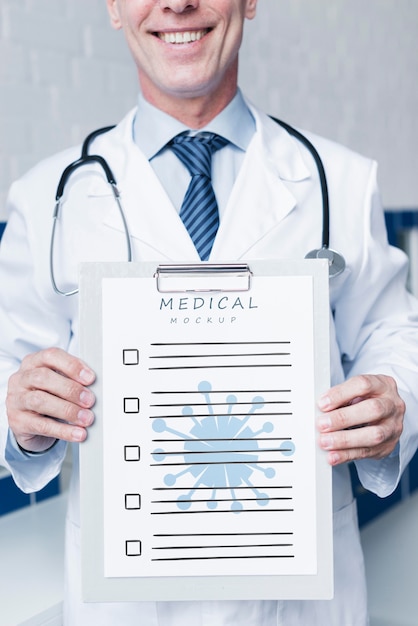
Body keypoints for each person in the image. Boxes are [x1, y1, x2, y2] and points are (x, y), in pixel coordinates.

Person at [0, 0, 417, 624]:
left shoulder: (342, 181)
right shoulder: (49, 196)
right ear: (114, 8)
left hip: (299, 601)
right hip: (126, 603)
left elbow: (393, 332)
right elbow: (7, 366)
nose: (177, 4)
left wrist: (393, 399)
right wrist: (20, 413)